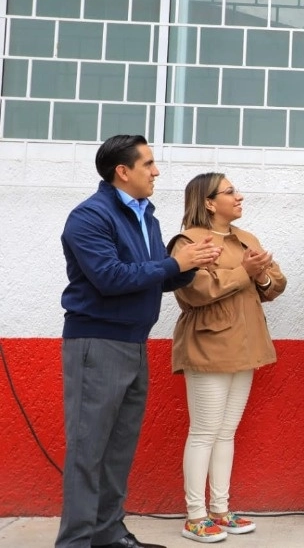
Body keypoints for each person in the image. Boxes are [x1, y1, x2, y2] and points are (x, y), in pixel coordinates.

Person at [57, 135, 220, 548]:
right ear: (122, 172)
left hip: (133, 342)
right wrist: (173, 263)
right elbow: (110, 278)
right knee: (88, 450)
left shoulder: (146, 215)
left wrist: (188, 267)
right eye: (148, 163)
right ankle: (75, 541)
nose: (156, 171)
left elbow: (153, 275)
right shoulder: (89, 217)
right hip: (97, 343)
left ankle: (108, 534)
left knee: (118, 449)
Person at [168, 174, 287, 543]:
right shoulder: (187, 242)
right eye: (230, 192)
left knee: (226, 432)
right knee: (204, 432)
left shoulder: (246, 238)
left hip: (245, 347)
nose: (239, 197)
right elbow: (197, 292)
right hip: (208, 348)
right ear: (207, 202)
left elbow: (276, 283)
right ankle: (195, 515)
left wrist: (262, 276)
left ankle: (220, 508)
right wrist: (245, 272)